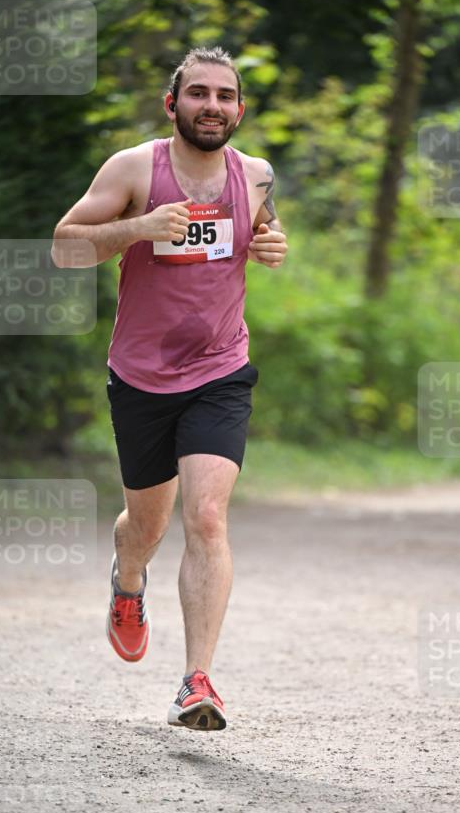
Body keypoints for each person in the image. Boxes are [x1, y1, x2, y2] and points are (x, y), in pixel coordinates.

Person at [52, 47, 288, 732]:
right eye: (199, 94)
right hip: (141, 376)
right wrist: (140, 228)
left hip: (220, 368)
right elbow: (65, 246)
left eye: (225, 96)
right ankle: (127, 583)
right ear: (172, 103)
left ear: (238, 110)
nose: (212, 106)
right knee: (146, 526)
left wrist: (272, 245)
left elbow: (264, 233)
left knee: (207, 517)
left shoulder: (256, 175)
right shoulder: (133, 168)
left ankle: (196, 681)